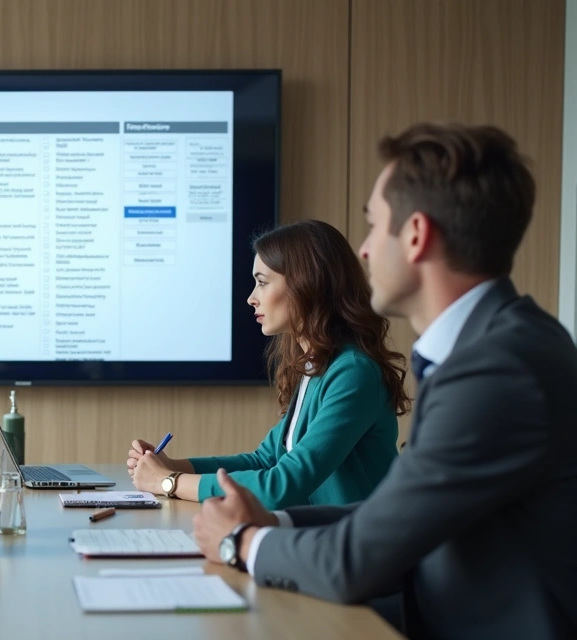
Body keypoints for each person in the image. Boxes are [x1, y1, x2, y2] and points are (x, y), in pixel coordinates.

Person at [192, 123, 577, 639]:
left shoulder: (498, 368)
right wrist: (274, 523)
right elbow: (391, 514)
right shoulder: (494, 344)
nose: (366, 250)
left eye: (375, 227)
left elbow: (357, 561)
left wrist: (240, 542)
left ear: (416, 235)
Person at [127, 220, 406, 509]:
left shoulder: (353, 373)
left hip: (358, 549)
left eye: (262, 282)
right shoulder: (318, 366)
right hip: (322, 539)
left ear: (306, 284)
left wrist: (167, 481)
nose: (251, 298)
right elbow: (266, 459)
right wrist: (173, 466)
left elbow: (280, 485)